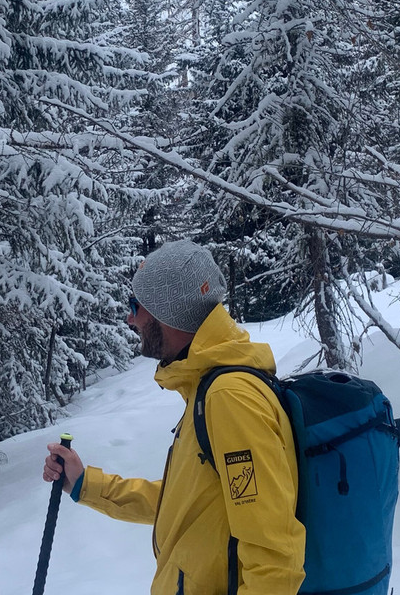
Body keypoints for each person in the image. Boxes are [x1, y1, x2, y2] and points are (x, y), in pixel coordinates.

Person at [42, 240, 305, 595]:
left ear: (168, 313)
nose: (130, 319)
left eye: (136, 306)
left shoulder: (229, 399)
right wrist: (86, 484)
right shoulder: (206, 389)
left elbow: (275, 561)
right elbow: (186, 504)